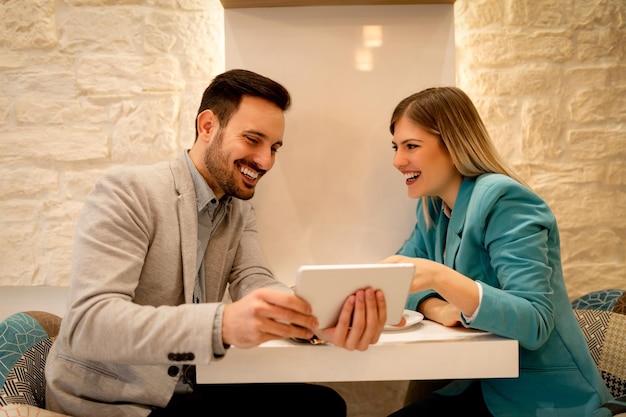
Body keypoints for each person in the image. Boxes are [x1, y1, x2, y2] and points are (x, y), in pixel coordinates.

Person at [45, 69, 388, 417]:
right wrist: (222, 324)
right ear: (207, 126)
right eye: (253, 140)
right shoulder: (128, 192)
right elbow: (87, 325)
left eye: (274, 147)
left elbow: (253, 279)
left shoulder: (238, 209)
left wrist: (313, 317)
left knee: (323, 405)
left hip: (188, 386)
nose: (266, 161)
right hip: (111, 402)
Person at [381, 86, 613, 417]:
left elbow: (534, 321)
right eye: (396, 146)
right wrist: (437, 306)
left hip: (542, 399)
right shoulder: (432, 208)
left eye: (411, 146)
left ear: (453, 144)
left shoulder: (505, 201)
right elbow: (397, 282)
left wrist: (438, 277)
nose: (397, 161)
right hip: (481, 383)